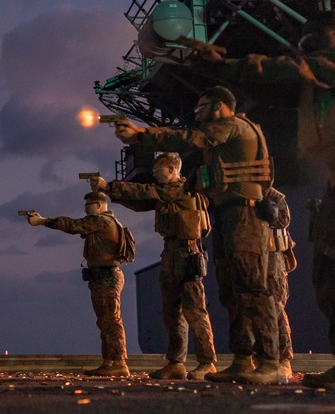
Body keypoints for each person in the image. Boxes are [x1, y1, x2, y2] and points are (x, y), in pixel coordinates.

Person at [188, 9, 335, 393]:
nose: (304, 42)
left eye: (314, 34)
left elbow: (290, 71)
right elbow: (279, 87)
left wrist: (228, 64)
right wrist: (224, 72)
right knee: (331, 275)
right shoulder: (324, 74)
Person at [114, 86, 285, 384]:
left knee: (253, 289)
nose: (197, 114)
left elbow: (193, 138)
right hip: (229, 214)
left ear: (219, 106)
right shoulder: (227, 136)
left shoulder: (233, 126)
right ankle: (243, 360)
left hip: (245, 213)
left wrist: (143, 135)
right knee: (232, 291)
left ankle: (270, 362)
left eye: (201, 108)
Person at [91, 153, 217, 380]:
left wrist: (109, 186)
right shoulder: (167, 195)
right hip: (171, 254)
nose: (155, 177)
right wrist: (109, 192)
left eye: (158, 172)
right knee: (172, 313)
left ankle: (207, 363)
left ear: (171, 169)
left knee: (195, 311)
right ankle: (176, 363)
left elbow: (145, 192)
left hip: (187, 254)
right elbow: (141, 202)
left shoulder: (180, 189)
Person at [23, 192, 132, 376]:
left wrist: (43, 221)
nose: (86, 210)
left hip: (107, 275)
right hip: (102, 275)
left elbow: (74, 226)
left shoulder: (102, 221)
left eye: (88, 206)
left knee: (111, 320)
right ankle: (109, 362)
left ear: (98, 205)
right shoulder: (107, 222)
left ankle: (119, 363)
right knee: (105, 321)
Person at [261, 186, 296, 379]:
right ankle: (263, 358)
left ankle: (284, 359)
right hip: (255, 256)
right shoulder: (244, 195)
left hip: (274, 259)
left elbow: (283, 220)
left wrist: (264, 206)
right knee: (256, 308)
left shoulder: (274, 196)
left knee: (276, 309)